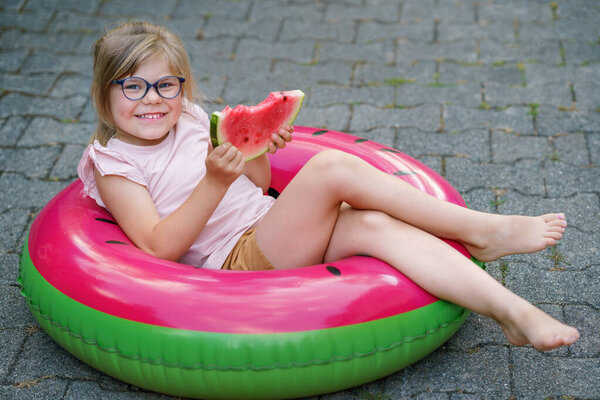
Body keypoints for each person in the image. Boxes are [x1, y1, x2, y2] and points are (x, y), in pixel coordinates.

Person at [78, 21, 579, 352]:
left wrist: (258, 152)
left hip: (269, 225)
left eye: (167, 85)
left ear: (183, 87)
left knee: (375, 225)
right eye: (133, 86)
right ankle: (484, 231)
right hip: (234, 261)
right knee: (328, 170)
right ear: (105, 95)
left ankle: (511, 313)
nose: (153, 100)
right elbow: (159, 247)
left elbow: (255, 184)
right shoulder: (114, 162)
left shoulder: (190, 118)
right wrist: (213, 181)